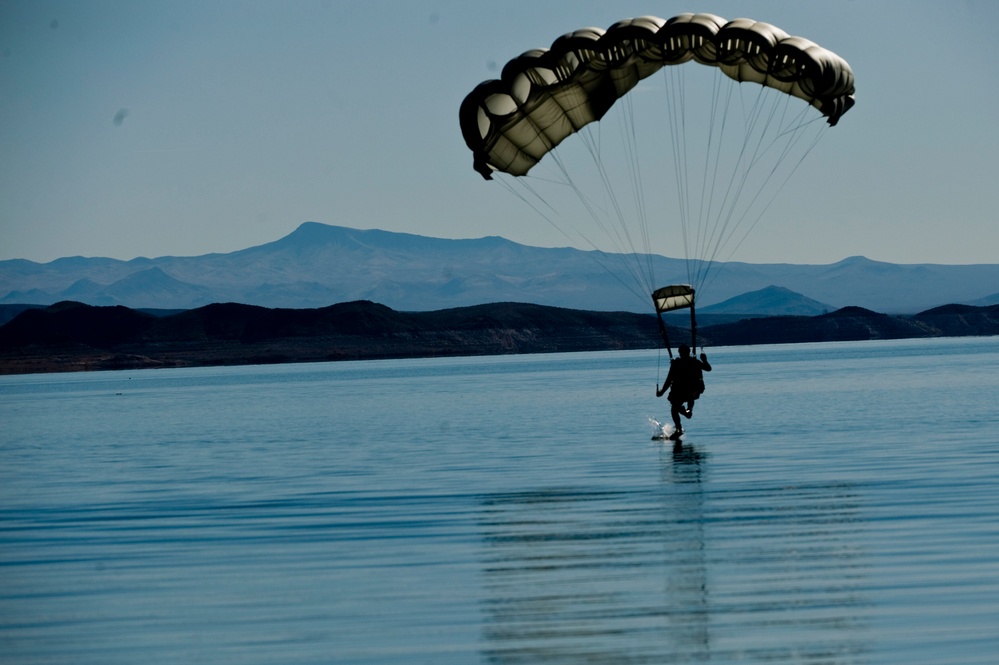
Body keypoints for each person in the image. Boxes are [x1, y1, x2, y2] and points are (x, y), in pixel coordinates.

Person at [656, 344, 712, 439]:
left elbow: (669, 379)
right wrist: (704, 360)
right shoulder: (693, 362)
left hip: (687, 391)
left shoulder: (678, 364)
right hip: (686, 391)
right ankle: (687, 413)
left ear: (680, 353)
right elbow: (708, 368)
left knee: (675, 408)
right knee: (677, 406)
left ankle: (680, 425)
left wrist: (662, 392)